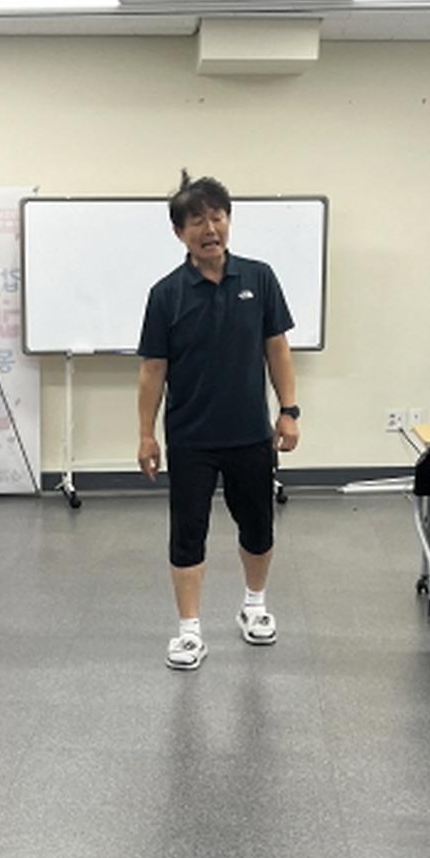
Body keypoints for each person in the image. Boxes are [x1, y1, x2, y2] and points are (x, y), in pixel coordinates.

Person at [137, 171, 301, 670]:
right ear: (179, 233)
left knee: (257, 525)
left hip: (251, 433)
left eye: (217, 216)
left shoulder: (259, 278)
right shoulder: (166, 293)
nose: (210, 228)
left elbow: (277, 347)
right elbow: (153, 370)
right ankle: (189, 631)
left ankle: (254, 607)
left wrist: (289, 411)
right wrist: (146, 433)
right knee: (188, 533)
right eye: (197, 221)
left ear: (228, 220)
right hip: (191, 437)